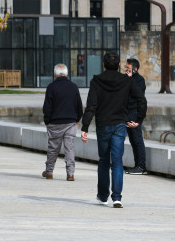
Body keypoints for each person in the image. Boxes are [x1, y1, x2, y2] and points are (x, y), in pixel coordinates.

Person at [81, 52, 147, 208]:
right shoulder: (126, 80)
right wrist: (139, 119)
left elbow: (91, 106)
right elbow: (141, 99)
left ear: (103, 64)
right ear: (118, 65)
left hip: (103, 124)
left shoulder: (96, 80)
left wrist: (85, 127)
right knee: (117, 161)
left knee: (104, 160)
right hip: (119, 125)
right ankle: (117, 197)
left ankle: (103, 196)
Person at [41, 63, 83, 181]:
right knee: (69, 148)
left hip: (55, 122)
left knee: (53, 148)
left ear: (55, 74)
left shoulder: (51, 87)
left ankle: (49, 171)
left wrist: (47, 121)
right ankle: (70, 173)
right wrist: (77, 119)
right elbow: (79, 106)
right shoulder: (74, 87)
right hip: (70, 122)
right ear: (66, 73)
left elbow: (47, 107)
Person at [124, 58, 147, 175]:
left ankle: (141, 166)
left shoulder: (139, 80)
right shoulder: (125, 78)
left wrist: (129, 79)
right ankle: (136, 165)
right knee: (132, 140)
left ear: (135, 69)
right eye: (125, 67)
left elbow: (138, 95)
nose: (126, 69)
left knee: (137, 139)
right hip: (126, 112)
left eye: (128, 68)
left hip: (134, 112)